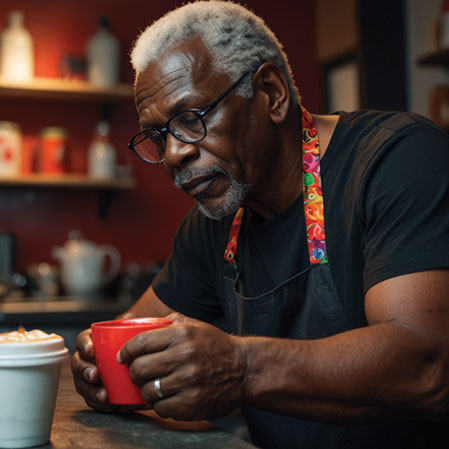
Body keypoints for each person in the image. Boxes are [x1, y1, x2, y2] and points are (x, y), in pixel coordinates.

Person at [71, 1, 449, 448]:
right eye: (157, 136)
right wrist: (99, 366)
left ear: (271, 93)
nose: (173, 155)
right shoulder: (214, 223)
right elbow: (132, 332)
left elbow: (426, 366)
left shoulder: (397, 160)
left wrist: (242, 367)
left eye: (191, 119)